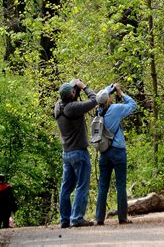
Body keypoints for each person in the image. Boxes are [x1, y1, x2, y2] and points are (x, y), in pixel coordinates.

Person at [54, 78, 97, 228]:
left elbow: (70, 98)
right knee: (82, 185)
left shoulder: (58, 107)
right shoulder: (73, 108)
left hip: (67, 153)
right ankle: (77, 217)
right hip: (79, 152)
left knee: (66, 188)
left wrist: (74, 88)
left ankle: (64, 220)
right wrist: (83, 86)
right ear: (72, 95)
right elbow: (94, 99)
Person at [94, 83, 137, 225]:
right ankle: (122, 218)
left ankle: (99, 218)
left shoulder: (98, 111)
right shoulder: (116, 109)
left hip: (104, 153)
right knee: (120, 185)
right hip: (118, 151)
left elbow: (102, 95)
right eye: (111, 96)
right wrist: (120, 92)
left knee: (103, 186)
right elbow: (133, 105)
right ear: (110, 99)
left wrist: (110, 87)